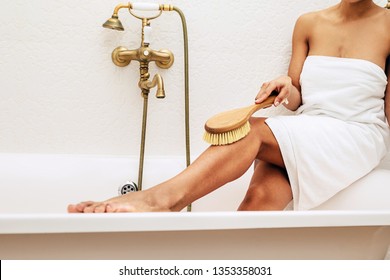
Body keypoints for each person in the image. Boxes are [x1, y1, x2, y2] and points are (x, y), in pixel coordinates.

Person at [68, 0, 390, 213]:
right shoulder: (308, 23)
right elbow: (298, 99)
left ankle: (160, 200)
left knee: (251, 129)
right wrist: (286, 87)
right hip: (309, 128)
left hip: (357, 134)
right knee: (257, 201)